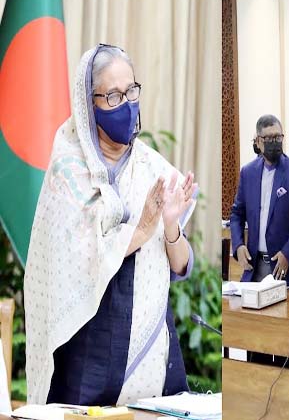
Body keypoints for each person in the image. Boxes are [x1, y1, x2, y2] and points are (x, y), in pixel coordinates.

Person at [24, 45, 198, 405]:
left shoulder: (153, 168)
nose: (127, 104)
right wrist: (142, 229)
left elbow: (181, 266)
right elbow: (79, 259)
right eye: (114, 96)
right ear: (89, 104)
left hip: (150, 350)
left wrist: (169, 226)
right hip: (87, 348)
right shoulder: (68, 169)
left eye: (131, 91)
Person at [230, 115, 289, 284]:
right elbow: (236, 214)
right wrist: (238, 245)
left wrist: (288, 253)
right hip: (254, 265)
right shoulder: (247, 173)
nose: (274, 142)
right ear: (258, 142)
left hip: (285, 266)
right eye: (269, 138)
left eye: (278, 137)